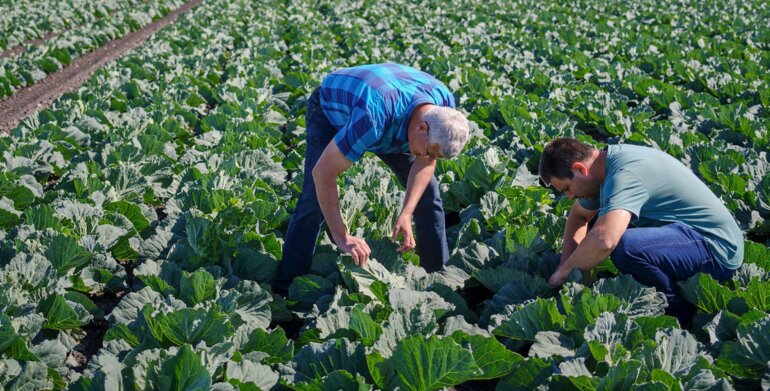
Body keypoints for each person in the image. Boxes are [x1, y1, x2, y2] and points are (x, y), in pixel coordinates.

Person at [273, 63, 470, 294]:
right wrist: (341, 237)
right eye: (429, 151)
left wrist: (406, 213)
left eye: (436, 156)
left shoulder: (443, 107)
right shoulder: (372, 117)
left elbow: (426, 162)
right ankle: (286, 287)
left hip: (395, 118)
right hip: (333, 110)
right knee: (312, 201)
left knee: (428, 195)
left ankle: (437, 285)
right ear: (422, 128)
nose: (429, 159)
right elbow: (323, 174)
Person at [538, 138, 743, 322]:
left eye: (567, 188)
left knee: (625, 246)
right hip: (683, 233)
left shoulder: (625, 174)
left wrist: (561, 275)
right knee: (595, 226)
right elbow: (579, 216)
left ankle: (678, 313)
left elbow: (604, 241)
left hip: (716, 248)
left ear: (579, 169)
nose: (569, 197)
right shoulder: (605, 164)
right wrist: (566, 265)